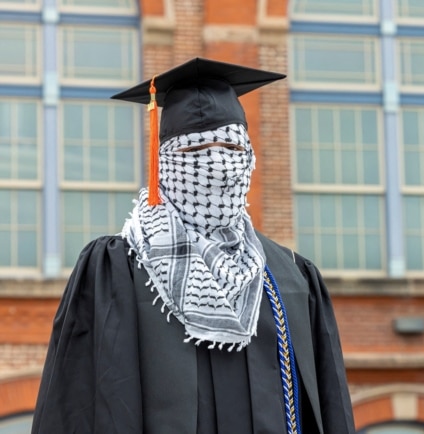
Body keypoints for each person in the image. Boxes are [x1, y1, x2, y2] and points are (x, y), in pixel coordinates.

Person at [32, 57, 355, 434]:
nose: (217, 165)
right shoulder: (116, 271)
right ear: (164, 162)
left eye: (232, 149)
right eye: (194, 152)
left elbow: (329, 413)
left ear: (249, 158)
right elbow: (76, 408)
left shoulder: (292, 277)